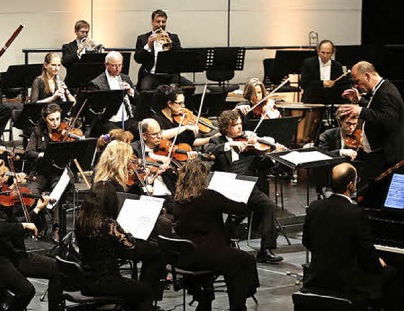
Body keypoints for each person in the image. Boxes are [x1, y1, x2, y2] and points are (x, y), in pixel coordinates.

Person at [0, 155, 62, 311]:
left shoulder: (0, 196)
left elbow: (16, 224)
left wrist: (36, 209)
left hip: (12, 253)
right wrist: (23, 226)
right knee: (27, 290)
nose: (6, 179)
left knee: (58, 270)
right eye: (2, 175)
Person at [303, 163, 401, 309]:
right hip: (347, 284)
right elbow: (367, 254)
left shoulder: (314, 207)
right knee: (395, 275)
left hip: (317, 277)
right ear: (351, 185)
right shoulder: (356, 213)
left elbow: (307, 241)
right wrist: (378, 263)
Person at [172, 159, 259, 311]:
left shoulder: (178, 199)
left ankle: (205, 300)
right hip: (208, 254)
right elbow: (240, 209)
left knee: (235, 259)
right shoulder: (209, 196)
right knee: (245, 260)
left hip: (186, 255)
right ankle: (238, 307)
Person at [206, 110, 284, 263]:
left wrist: (274, 156)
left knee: (268, 205)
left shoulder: (250, 143)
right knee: (238, 210)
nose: (240, 128)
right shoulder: (218, 142)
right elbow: (209, 152)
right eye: (235, 125)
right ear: (225, 128)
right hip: (225, 187)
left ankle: (265, 250)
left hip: (246, 187)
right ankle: (225, 244)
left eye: (240, 124)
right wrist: (230, 145)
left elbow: (261, 166)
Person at [75, 181, 165, 311]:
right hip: (106, 283)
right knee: (146, 293)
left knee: (135, 290)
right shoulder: (108, 224)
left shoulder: (81, 219)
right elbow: (132, 247)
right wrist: (128, 234)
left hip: (86, 280)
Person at [338, 61, 404, 180]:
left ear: (367, 76)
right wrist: (359, 101)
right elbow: (377, 110)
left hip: (389, 158)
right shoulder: (381, 89)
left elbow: (390, 120)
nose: (356, 86)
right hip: (380, 154)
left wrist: (361, 111)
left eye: (357, 81)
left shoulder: (386, 92)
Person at [25, 103, 68, 241]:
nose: (55, 123)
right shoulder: (37, 131)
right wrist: (40, 155)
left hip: (57, 172)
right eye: (52, 119)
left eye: (58, 119)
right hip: (41, 171)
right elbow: (28, 151)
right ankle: (40, 224)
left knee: (57, 191)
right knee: (32, 191)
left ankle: (56, 227)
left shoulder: (65, 131)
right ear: (45, 119)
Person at [134, 9, 192, 91]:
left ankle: (179, 103)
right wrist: (148, 46)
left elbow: (180, 55)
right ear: (152, 22)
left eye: (163, 22)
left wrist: (170, 42)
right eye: (158, 21)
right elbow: (138, 59)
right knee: (145, 89)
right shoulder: (143, 38)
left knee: (190, 86)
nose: (161, 25)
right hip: (151, 74)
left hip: (170, 75)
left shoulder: (173, 37)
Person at [88, 51, 139, 136]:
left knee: (143, 129)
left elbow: (138, 100)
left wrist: (130, 90)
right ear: (106, 65)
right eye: (114, 65)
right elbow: (96, 110)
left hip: (127, 118)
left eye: (120, 65)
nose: (117, 68)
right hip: (108, 120)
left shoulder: (125, 78)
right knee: (119, 136)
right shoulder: (97, 83)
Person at [300, 40, 351, 104]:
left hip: (330, 101)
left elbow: (342, 85)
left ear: (332, 53)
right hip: (312, 100)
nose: (325, 56)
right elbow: (304, 83)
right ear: (318, 51)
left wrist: (334, 84)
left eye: (328, 53)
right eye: (323, 52)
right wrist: (322, 83)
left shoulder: (337, 66)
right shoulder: (309, 63)